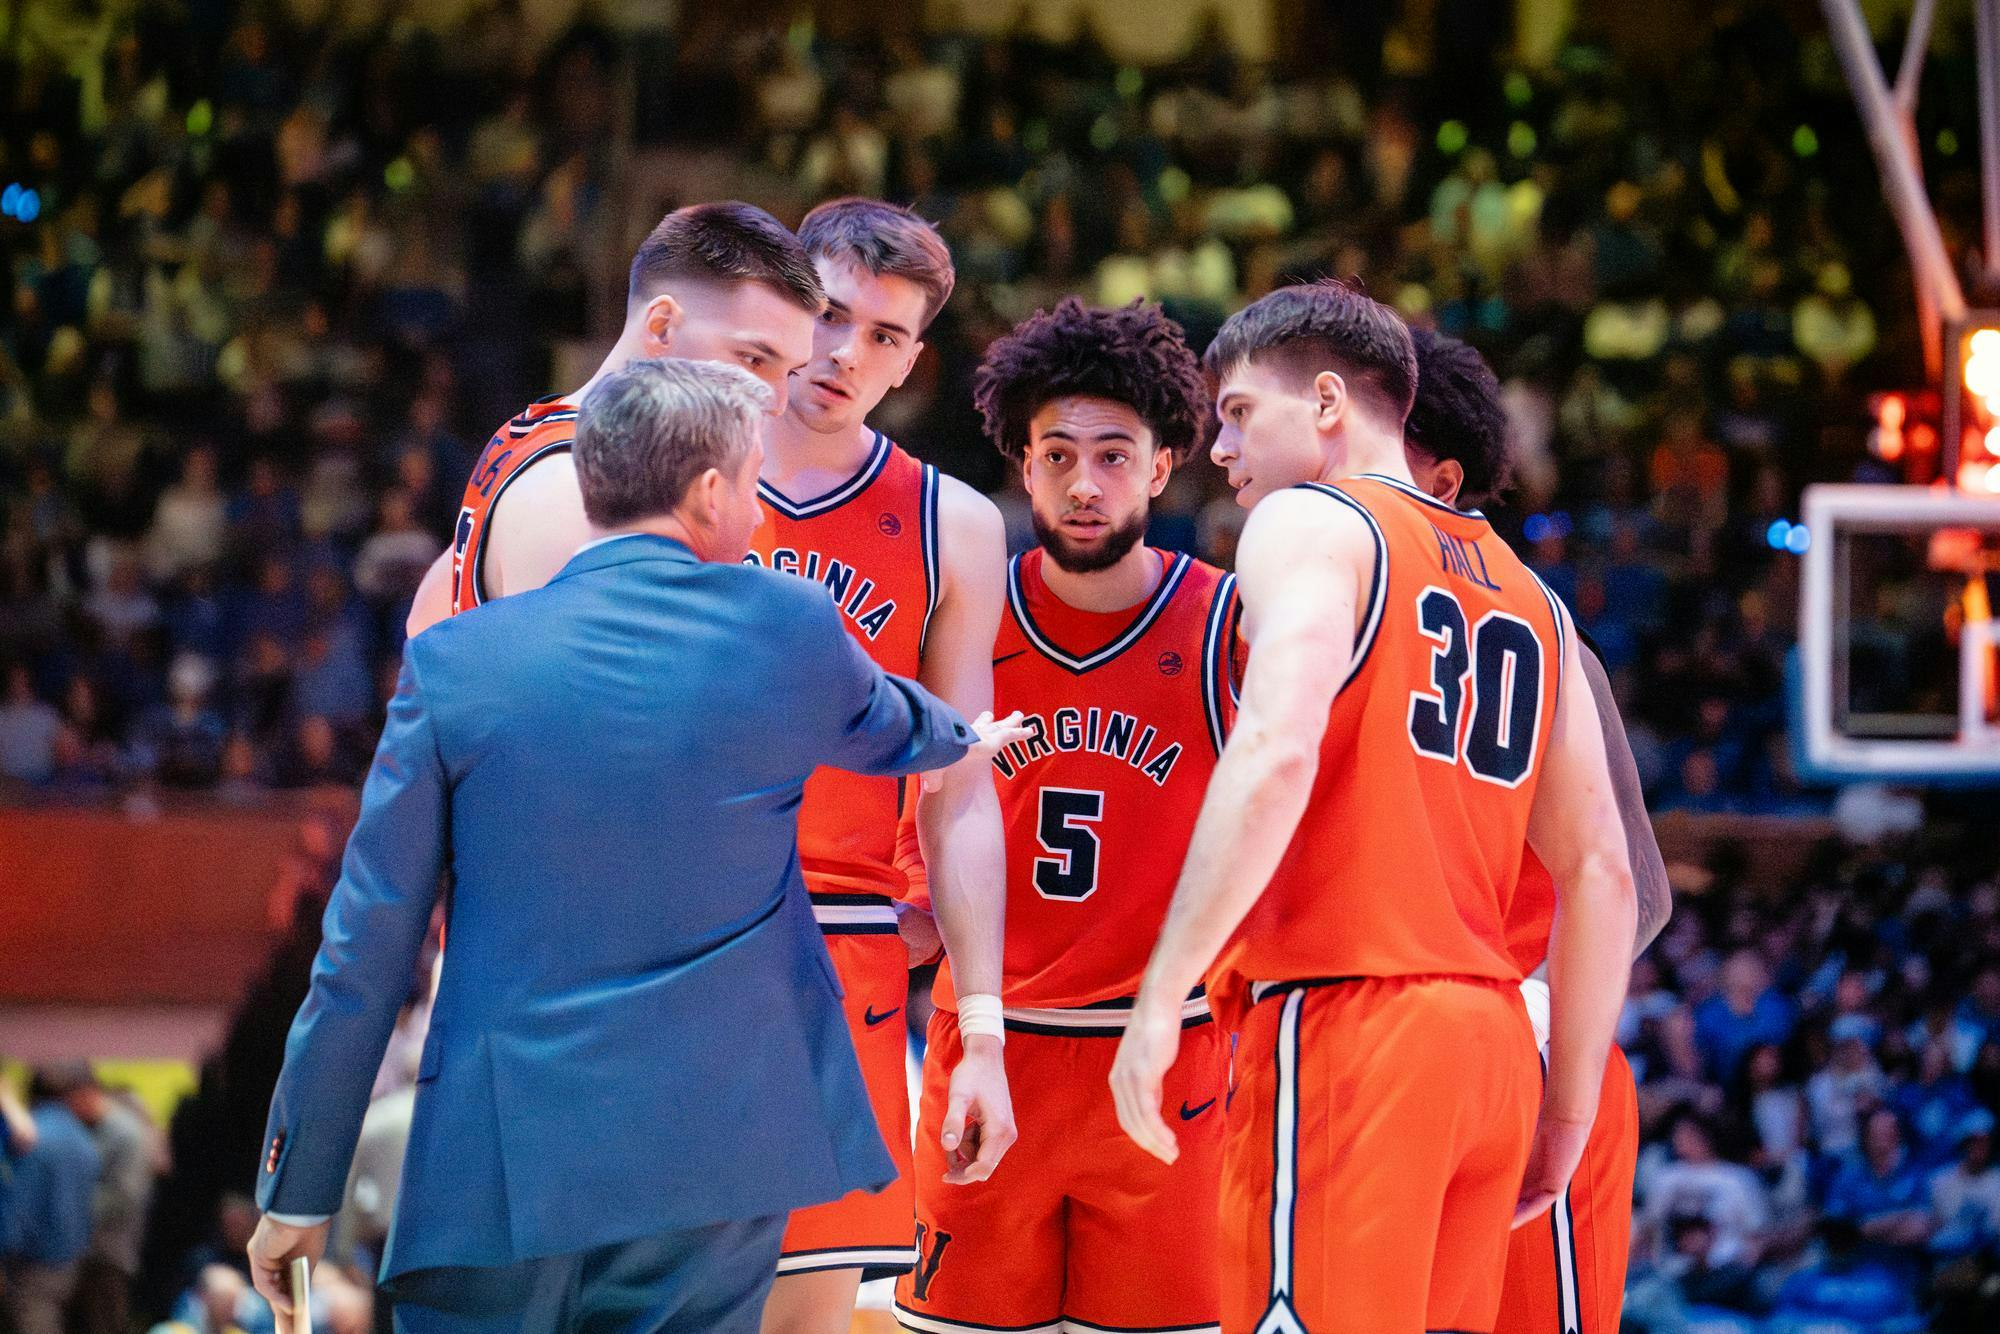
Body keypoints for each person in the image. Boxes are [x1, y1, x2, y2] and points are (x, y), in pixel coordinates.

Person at [245, 360, 1023, 1334]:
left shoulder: (453, 663)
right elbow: (897, 723)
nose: (760, 509)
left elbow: (363, 950)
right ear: (708, 494)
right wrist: (971, 737)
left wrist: (299, 1183)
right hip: (713, 1161)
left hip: (496, 1162)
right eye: (750, 482)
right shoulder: (787, 629)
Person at [1110, 280, 1636, 1333]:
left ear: (1322, 402)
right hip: (1490, 1045)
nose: (1219, 448)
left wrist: (1163, 988)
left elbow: (1274, 746)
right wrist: (1566, 1105)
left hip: (1348, 1022)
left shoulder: (1311, 520)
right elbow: (1602, 873)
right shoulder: (1530, 594)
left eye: (1236, 413)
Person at [893, 298, 1234, 1334]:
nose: (1084, 484)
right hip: (985, 1047)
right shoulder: (960, 617)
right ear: (1021, 464)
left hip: (1166, 1055)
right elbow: (910, 871)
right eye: (1057, 455)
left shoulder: (1229, 621)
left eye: (1114, 455)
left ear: (1166, 463)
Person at [747, 198, 1014, 1334]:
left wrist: (984, 1029)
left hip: (836, 944)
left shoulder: (950, 521)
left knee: (804, 1320)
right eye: (830, 313)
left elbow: (962, 784)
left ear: (913, 359)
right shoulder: (653, 462)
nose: (845, 353)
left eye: (885, 336)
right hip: (657, 927)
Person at [1399, 328, 1674, 1334]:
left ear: (1438, 472)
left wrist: (1538, 1022)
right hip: (1401, 1065)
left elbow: (1635, 888)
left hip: (1529, 1058)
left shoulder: (1533, 622)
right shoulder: (1333, 614)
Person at [403, 201, 824, 634]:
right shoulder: (575, 491)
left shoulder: (550, 437)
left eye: (790, 372)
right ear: (661, 326)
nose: (776, 401)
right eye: (754, 360)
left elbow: (425, 619)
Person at [54, 1063, 161, 1334]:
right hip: (87, 1251)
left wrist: (70, 1204)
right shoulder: (93, 1128)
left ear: (87, 1093)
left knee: (105, 1323)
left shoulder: (125, 1133)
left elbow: (125, 1196)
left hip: (111, 1251)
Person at [1, 1065, 103, 1334]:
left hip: (32, 1263)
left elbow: (19, 1207)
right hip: (71, 1259)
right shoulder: (83, 1140)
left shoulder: (31, 1138)